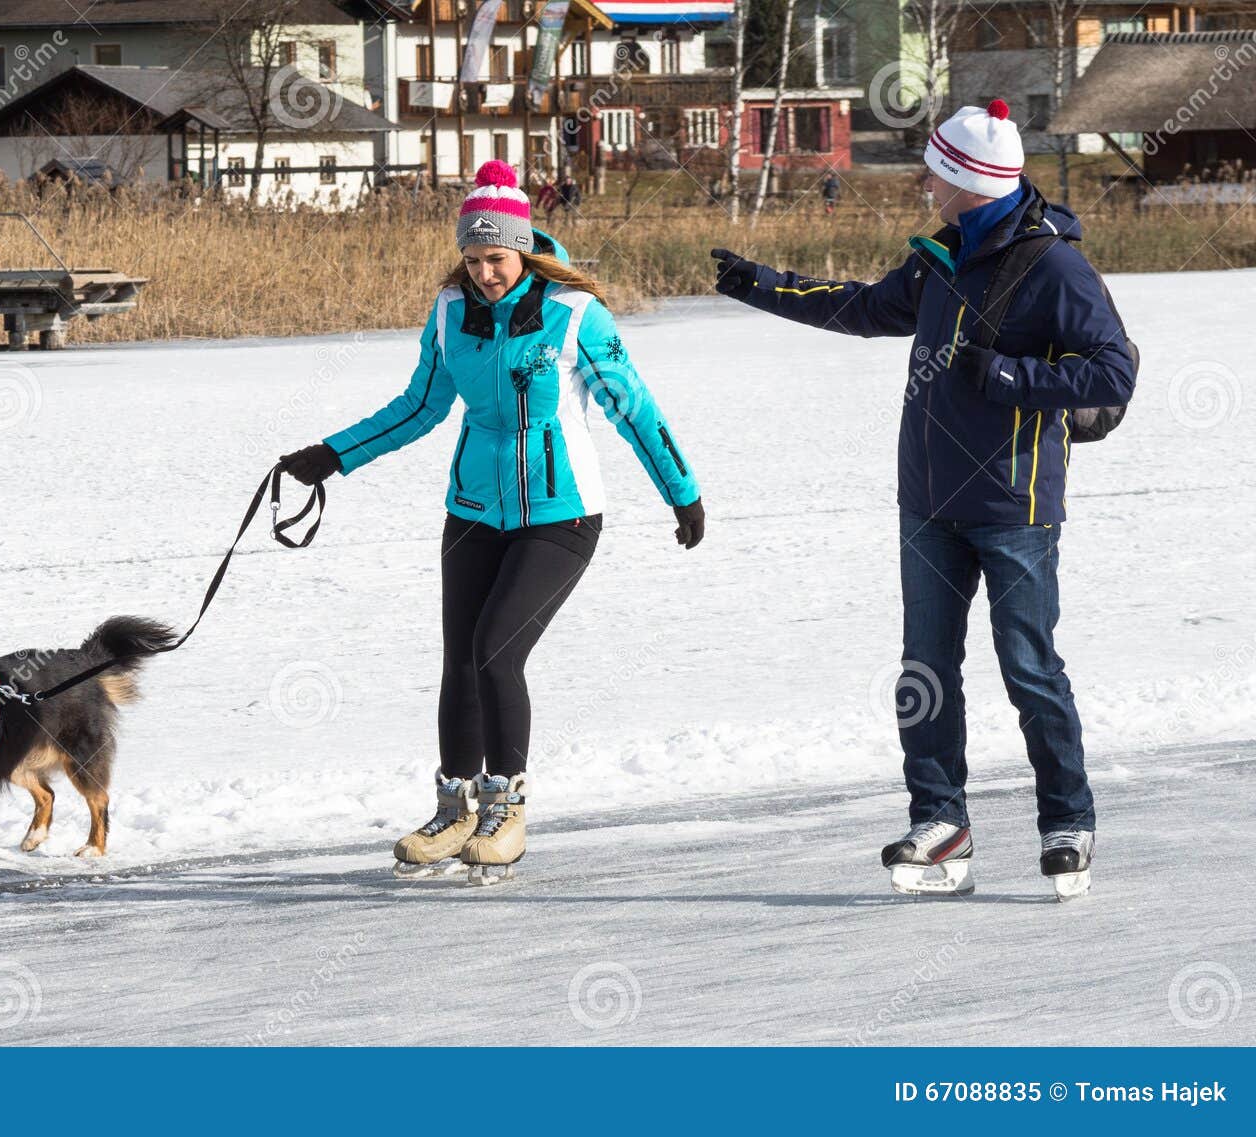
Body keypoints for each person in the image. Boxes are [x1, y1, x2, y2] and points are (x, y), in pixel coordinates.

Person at [711, 100, 1135, 899]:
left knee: (1029, 665)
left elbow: (1114, 372)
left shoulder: (1054, 268)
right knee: (926, 669)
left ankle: (1067, 821)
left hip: (1014, 506)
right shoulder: (940, 257)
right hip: (930, 503)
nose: (922, 180)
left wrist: (1011, 377)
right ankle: (941, 821)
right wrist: (762, 286)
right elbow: (863, 307)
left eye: (934, 168)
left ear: (967, 179)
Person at [279, 160, 705, 884]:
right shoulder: (452, 312)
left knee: (495, 651)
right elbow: (418, 407)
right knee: (459, 662)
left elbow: (634, 407)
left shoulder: (572, 313)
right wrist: (332, 455)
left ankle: (506, 808)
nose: (484, 273)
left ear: (523, 248)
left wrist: (681, 491)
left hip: (562, 516)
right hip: (473, 511)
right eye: (473, 260)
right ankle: (455, 809)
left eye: (496, 259)